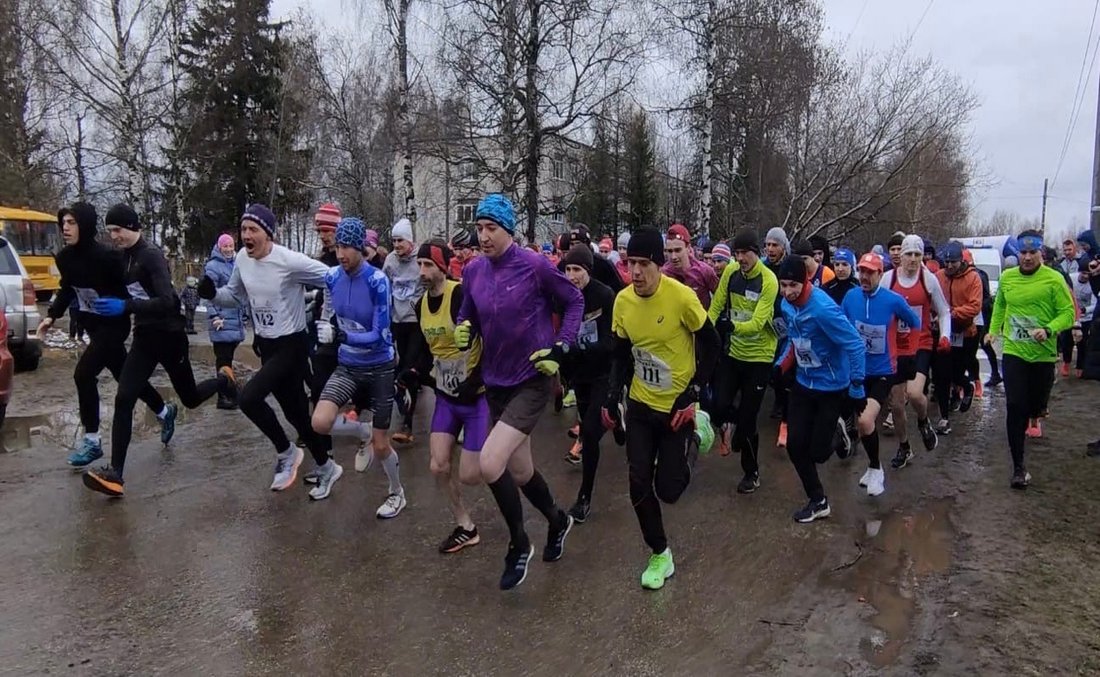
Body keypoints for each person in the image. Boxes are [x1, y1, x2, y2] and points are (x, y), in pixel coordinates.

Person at [456, 193, 583, 590]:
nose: (483, 236)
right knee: (521, 470)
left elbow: (574, 300)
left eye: (491, 228)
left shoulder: (534, 265)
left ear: (508, 230)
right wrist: (464, 328)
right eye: (479, 228)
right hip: (495, 382)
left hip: (531, 379)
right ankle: (558, 520)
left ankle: (518, 544)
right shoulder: (473, 271)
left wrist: (561, 348)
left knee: (489, 463)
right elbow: (469, 314)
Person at [81, 204, 233, 497]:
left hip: (170, 337)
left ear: (132, 227)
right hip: (144, 339)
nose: (114, 236)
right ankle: (116, 474)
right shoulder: (123, 257)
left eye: (118, 230)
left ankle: (224, 380)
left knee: (190, 398)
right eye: (110, 231)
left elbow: (169, 301)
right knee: (124, 398)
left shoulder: (150, 256)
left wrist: (126, 306)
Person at [602, 227, 720, 589]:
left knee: (669, 490)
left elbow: (713, 344)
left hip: (676, 407)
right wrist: (612, 395)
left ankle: (698, 430)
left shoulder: (682, 297)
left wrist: (693, 392)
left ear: (658, 264)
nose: (636, 272)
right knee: (638, 482)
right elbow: (620, 354)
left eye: (644, 264)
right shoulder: (623, 301)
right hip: (641, 404)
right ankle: (659, 553)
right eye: (630, 263)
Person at [197, 204, 332, 494]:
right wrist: (212, 294)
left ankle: (286, 452)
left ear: (268, 234)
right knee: (297, 415)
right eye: (243, 229)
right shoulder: (242, 259)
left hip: (292, 345)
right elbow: (234, 295)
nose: (246, 235)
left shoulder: (289, 261)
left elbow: (334, 278)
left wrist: (328, 317)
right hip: (268, 345)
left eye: (253, 230)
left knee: (248, 398)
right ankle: (327, 466)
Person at [37, 202, 173, 469]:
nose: (65, 228)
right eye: (63, 223)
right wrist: (51, 316)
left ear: (85, 225)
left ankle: (92, 440)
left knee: (83, 374)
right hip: (93, 326)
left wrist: (129, 306)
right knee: (126, 377)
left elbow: (131, 287)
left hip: (114, 325)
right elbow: (68, 288)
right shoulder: (64, 258)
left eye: (72, 223)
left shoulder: (109, 257)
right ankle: (165, 411)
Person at [310, 218, 405, 508]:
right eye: (338, 247)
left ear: (360, 248)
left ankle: (397, 492)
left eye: (347, 247)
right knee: (319, 422)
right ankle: (361, 432)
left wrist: (342, 335)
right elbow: (328, 311)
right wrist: (324, 328)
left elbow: (380, 335)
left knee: (381, 444)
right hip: (348, 365)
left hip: (379, 366)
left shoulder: (377, 281)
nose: (341, 254)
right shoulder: (332, 277)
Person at [773, 255, 865, 522]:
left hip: (831, 386)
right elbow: (794, 340)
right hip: (804, 382)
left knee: (819, 453)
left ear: (805, 282)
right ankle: (818, 500)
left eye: (793, 285)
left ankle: (839, 429)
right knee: (795, 445)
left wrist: (857, 384)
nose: (788, 292)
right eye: (783, 285)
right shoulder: (786, 304)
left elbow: (855, 345)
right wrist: (780, 366)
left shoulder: (823, 309)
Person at [987, 230, 1076, 487]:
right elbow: (1001, 305)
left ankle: (1038, 406)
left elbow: (1068, 313)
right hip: (1014, 350)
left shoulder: (1054, 279)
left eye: (1032, 253)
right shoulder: (1008, 277)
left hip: (1043, 354)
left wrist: (1048, 329)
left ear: (1041, 253)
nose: (1027, 258)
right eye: (1023, 253)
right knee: (1015, 405)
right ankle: (1018, 467)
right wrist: (993, 331)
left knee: (1035, 405)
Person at [413, 240, 487, 549]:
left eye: (428, 265)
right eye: (419, 264)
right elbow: (424, 349)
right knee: (438, 466)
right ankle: (464, 525)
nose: (422, 271)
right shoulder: (419, 305)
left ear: (443, 267)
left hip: (476, 395)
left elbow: (487, 336)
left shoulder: (459, 295)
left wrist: (477, 377)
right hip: (446, 396)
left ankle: (504, 463)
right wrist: (412, 372)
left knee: (472, 475)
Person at [841, 253, 920, 497]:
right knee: (862, 424)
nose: (864, 277)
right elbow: (841, 326)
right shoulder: (851, 297)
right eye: (862, 271)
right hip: (857, 370)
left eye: (870, 272)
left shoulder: (893, 300)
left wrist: (905, 351)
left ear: (880, 274)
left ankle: (876, 469)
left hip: (883, 371)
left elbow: (915, 322)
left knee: (866, 421)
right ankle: (871, 467)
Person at [706, 229, 777, 493]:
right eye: (736, 253)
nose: (740, 258)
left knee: (748, 423)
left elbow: (758, 323)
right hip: (734, 353)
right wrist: (706, 331)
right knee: (717, 404)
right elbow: (716, 306)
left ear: (756, 253)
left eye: (745, 253)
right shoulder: (731, 271)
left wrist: (731, 326)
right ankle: (731, 424)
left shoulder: (768, 280)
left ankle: (751, 472)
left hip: (759, 357)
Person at [553, 244, 618, 522]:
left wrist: (579, 348)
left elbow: (611, 342)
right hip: (580, 375)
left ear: (588, 270)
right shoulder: (564, 297)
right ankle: (616, 418)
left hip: (603, 372)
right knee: (591, 424)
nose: (571, 276)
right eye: (568, 269)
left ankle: (584, 497)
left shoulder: (604, 295)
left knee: (590, 433)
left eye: (577, 270)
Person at [880, 234, 948, 467]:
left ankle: (923, 420)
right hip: (895, 347)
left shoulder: (928, 280)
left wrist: (945, 335)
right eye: (908, 254)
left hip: (921, 344)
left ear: (922, 257)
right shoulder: (888, 279)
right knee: (897, 404)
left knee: (915, 393)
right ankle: (904, 447)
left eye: (917, 254)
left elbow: (944, 312)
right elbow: (878, 307)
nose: (912, 259)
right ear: (900, 256)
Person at [384, 217, 430, 444]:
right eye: (393, 241)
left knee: (408, 369)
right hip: (397, 321)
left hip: (416, 322)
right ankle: (410, 398)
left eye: (400, 240)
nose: (396, 245)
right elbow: (384, 287)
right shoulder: (390, 261)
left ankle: (407, 425)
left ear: (410, 241)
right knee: (401, 369)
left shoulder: (420, 260)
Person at [933, 243, 983, 421]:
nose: (949, 266)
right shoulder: (939, 276)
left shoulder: (973, 278)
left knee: (958, 369)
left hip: (964, 330)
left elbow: (975, 306)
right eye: (946, 262)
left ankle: (966, 387)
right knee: (941, 371)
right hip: (942, 330)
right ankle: (945, 412)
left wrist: (952, 312)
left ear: (961, 261)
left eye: (952, 262)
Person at [205, 233, 246, 410]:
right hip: (221, 319)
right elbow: (208, 293)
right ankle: (224, 396)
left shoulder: (237, 263)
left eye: (231, 246)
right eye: (225, 246)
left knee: (227, 359)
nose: (228, 249)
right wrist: (214, 316)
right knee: (223, 359)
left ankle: (230, 392)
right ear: (219, 247)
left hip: (235, 318)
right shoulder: (213, 266)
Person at [764, 227, 790, 428]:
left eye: (775, 245)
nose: (770, 249)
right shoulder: (763, 266)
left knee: (782, 366)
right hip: (766, 322)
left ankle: (782, 403)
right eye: (768, 245)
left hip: (786, 323)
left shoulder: (789, 266)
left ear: (783, 247)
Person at [662, 223, 718, 308]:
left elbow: (720, 298)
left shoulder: (704, 271)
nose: (673, 257)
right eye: (669, 251)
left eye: (678, 250)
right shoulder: (663, 275)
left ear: (688, 248)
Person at [1060, 237, 1093, 377]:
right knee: (1066, 339)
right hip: (1071, 312)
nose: (1086, 276)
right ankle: (1066, 362)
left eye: (1088, 274)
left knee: (1083, 342)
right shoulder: (1071, 278)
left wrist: (1085, 310)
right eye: (1083, 273)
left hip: (1086, 315)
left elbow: (1095, 302)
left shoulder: (1093, 283)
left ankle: (1080, 366)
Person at [560, 223, 624, 292]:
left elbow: (617, 289)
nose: (575, 247)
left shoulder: (603, 264)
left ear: (587, 244)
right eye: (572, 244)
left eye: (578, 243)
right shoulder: (563, 264)